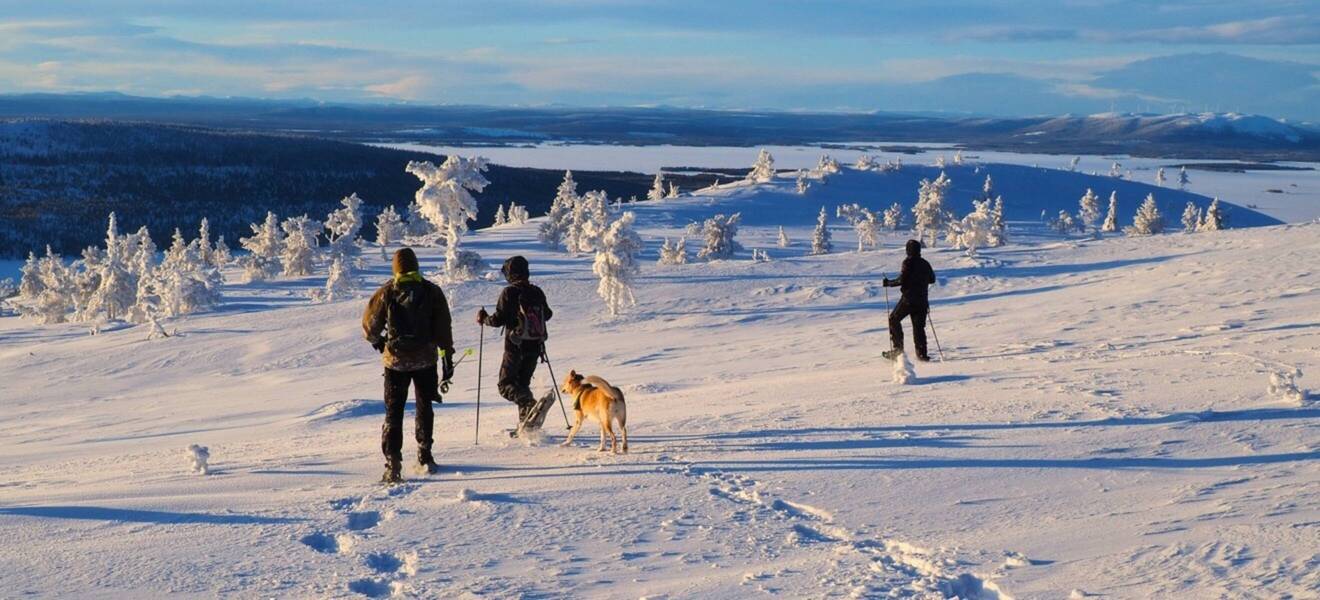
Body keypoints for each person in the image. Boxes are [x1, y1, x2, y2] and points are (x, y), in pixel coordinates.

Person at [363, 248, 454, 483]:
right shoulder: (431, 291)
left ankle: (393, 464)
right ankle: (425, 455)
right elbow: (443, 330)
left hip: (395, 362)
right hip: (425, 360)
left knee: (394, 412)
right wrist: (447, 359)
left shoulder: (387, 292)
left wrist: (379, 343)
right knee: (424, 407)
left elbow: (369, 326)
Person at [475, 256, 553, 432]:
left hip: (515, 347)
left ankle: (529, 404)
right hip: (535, 346)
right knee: (522, 385)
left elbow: (498, 320)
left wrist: (484, 319)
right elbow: (547, 315)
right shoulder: (537, 292)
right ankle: (526, 425)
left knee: (506, 386)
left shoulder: (510, 292)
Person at [882, 239, 936, 362]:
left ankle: (898, 350)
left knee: (893, 319)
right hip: (922, 300)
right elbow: (932, 279)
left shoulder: (908, 262)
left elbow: (902, 280)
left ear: (908, 250)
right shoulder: (925, 263)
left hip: (908, 300)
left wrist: (889, 283)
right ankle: (922, 355)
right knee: (918, 328)